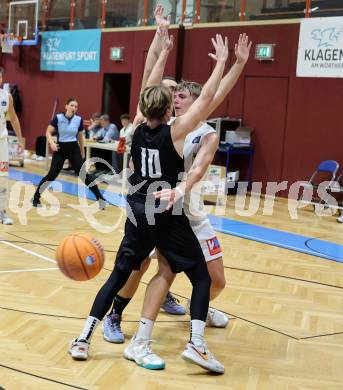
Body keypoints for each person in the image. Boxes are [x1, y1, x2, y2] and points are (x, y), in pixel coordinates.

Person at [69, 31, 229, 374]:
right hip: (165, 211)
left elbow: (149, 84)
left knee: (118, 275)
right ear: (169, 107)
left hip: (136, 207)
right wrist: (223, 64)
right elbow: (209, 97)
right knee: (201, 277)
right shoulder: (176, 132)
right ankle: (196, 344)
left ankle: (82, 338)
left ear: (142, 107)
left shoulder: (136, 128)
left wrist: (161, 51)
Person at [103, 34, 252, 357]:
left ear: (191, 101)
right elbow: (148, 82)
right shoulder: (159, 127)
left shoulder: (198, 127)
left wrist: (238, 62)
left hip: (190, 211)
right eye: (171, 93)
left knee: (216, 281)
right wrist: (160, 43)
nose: (173, 96)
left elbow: (217, 92)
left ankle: (200, 308)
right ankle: (116, 315)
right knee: (141, 267)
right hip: (158, 210)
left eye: (179, 93)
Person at [32, 98, 106, 209]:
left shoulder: (78, 119)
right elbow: (48, 132)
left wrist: (82, 152)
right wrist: (51, 142)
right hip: (60, 149)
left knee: (84, 175)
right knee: (52, 175)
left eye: (76, 106)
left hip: (73, 149)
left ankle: (101, 199)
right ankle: (36, 198)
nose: (74, 108)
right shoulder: (58, 118)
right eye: (72, 105)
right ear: (66, 106)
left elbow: (80, 137)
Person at [0, 67, 24, 225]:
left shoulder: (6, 96)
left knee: (2, 179)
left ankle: (1, 211)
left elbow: (13, 118)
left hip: (1, 143)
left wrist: (20, 139)